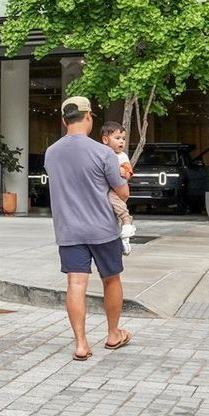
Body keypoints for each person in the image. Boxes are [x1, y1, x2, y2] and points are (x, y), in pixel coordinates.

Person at [44, 96, 132, 361]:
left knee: (75, 283)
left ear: (64, 120)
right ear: (89, 117)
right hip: (102, 228)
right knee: (111, 278)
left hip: (69, 229)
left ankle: (81, 344)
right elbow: (123, 193)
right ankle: (113, 334)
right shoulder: (103, 152)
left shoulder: (51, 152)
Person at [98, 122, 137, 251]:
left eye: (123, 139)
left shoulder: (122, 156)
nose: (121, 142)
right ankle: (124, 241)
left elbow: (129, 171)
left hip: (115, 190)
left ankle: (127, 220)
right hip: (104, 189)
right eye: (117, 138)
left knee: (115, 202)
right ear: (105, 139)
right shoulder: (101, 153)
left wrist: (124, 173)